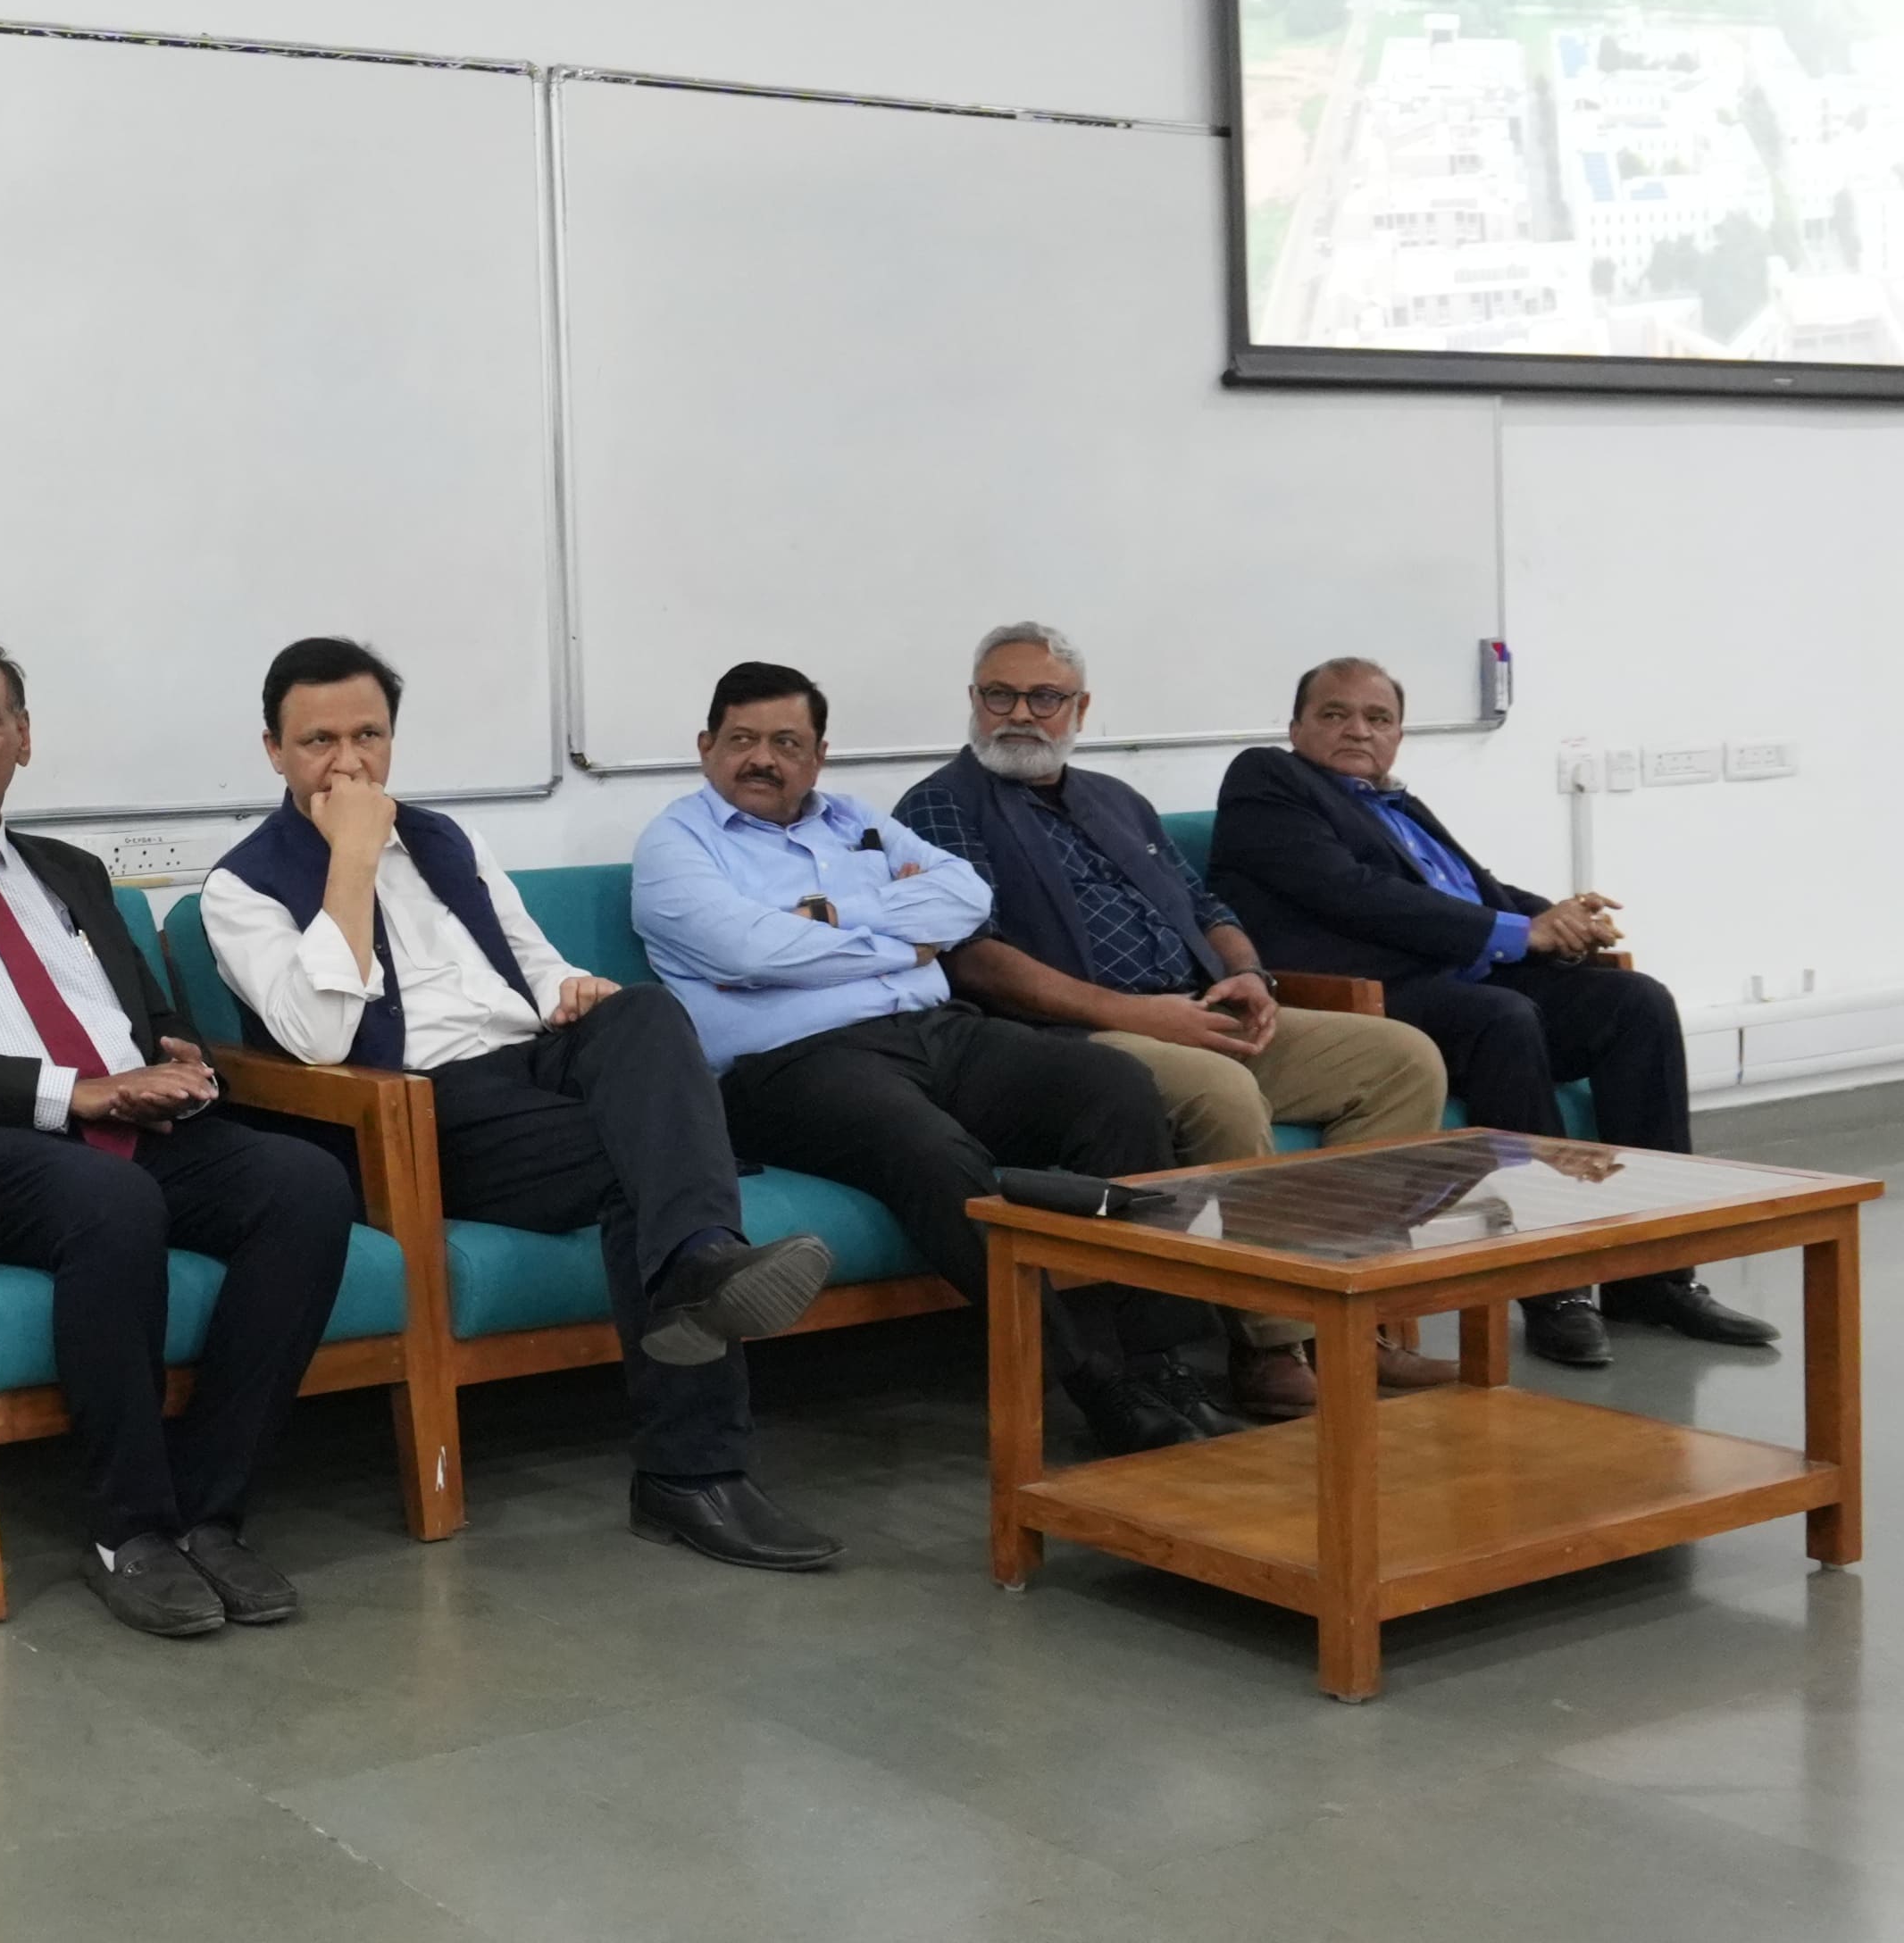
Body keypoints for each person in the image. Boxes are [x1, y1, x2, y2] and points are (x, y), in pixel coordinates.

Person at [203, 637, 843, 1572]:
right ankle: (692, 1468)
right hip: (421, 1107)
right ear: (273, 751)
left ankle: (699, 1262)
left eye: (368, 736)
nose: (349, 763)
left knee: (644, 1012)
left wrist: (573, 991)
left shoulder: (446, 839)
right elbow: (321, 1038)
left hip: (533, 1062)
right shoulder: (240, 887)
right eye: (318, 742)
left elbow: (533, 964)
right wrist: (351, 858)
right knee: (644, 1169)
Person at [0, 639, 359, 1639]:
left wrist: (181, 1065)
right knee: (112, 1201)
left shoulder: (74, 872)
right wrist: (76, 1095)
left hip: (134, 1125)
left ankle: (210, 1511)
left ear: (22, 737)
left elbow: (146, 1015)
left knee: (306, 1185)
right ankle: (127, 1531)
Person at [630, 662, 1231, 1454]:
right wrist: (899, 943)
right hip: (793, 1065)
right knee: (932, 1148)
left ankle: (1158, 1362)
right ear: (707, 747)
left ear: (819, 756)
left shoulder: (855, 820)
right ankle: (1089, 1381)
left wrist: (824, 918)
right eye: (742, 740)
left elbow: (967, 896)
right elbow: (747, 951)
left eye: (787, 742)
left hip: (937, 1030)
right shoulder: (675, 843)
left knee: (1114, 1086)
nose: (763, 759)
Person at [894, 622, 1456, 1422]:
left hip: (1197, 1008)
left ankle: (1355, 1317)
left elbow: (1205, 905)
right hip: (1074, 1037)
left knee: (1401, 1059)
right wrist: (1142, 1015)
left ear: (1080, 708)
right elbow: (973, 957)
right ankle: (1272, 1345)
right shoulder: (940, 805)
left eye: (1044, 697)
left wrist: (1247, 975)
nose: (1019, 713)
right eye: (1000, 695)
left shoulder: (1116, 800)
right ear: (974, 701)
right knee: (1221, 1092)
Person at [1209, 656, 1775, 1364]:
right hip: (1367, 994)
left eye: (1379, 719)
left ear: (1398, 737)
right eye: (1334, 714)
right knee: (1504, 1017)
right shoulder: (1269, 780)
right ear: (1295, 728)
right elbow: (1354, 893)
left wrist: (1557, 919)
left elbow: (1476, 890)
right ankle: (1552, 1287)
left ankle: (1657, 1275)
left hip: (1463, 978)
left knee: (1637, 1003)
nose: (1358, 730)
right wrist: (1521, 934)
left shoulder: (1397, 805)